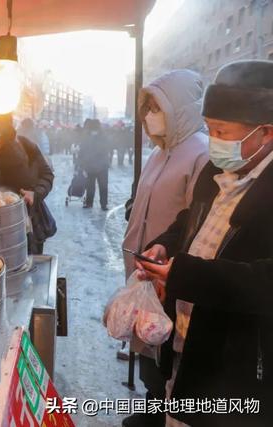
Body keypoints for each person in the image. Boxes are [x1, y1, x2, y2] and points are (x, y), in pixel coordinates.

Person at [137, 60, 273, 427]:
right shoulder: (216, 170)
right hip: (185, 336)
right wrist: (166, 245)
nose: (214, 141)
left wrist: (184, 274)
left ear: (266, 133)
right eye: (210, 129)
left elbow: (265, 281)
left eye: (223, 131)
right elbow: (191, 222)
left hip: (235, 364)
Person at [121, 69, 209, 427]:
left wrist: (170, 262)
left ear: (181, 109)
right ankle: (150, 411)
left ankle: (158, 415)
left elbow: (195, 223)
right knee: (146, 349)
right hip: (145, 274)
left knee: (165, 358)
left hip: (169, 278)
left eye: (156, 108)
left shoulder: (199, 155)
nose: (148, 116)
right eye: (146, 108)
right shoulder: (160, 153)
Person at [0, 99, 56, 254]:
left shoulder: (24, 146)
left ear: (2, 126)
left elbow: (47, 174)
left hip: (27, 226)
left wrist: (36, 193)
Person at [78, 119, 110, 209]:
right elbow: (107, 148)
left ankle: (89, 203)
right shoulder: (103, 136)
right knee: (102, 186)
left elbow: (82, 151)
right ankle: (103, 204)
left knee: (90, 186)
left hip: (92, 165)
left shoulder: (87, 136)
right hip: (101, 166)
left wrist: (82, 163)